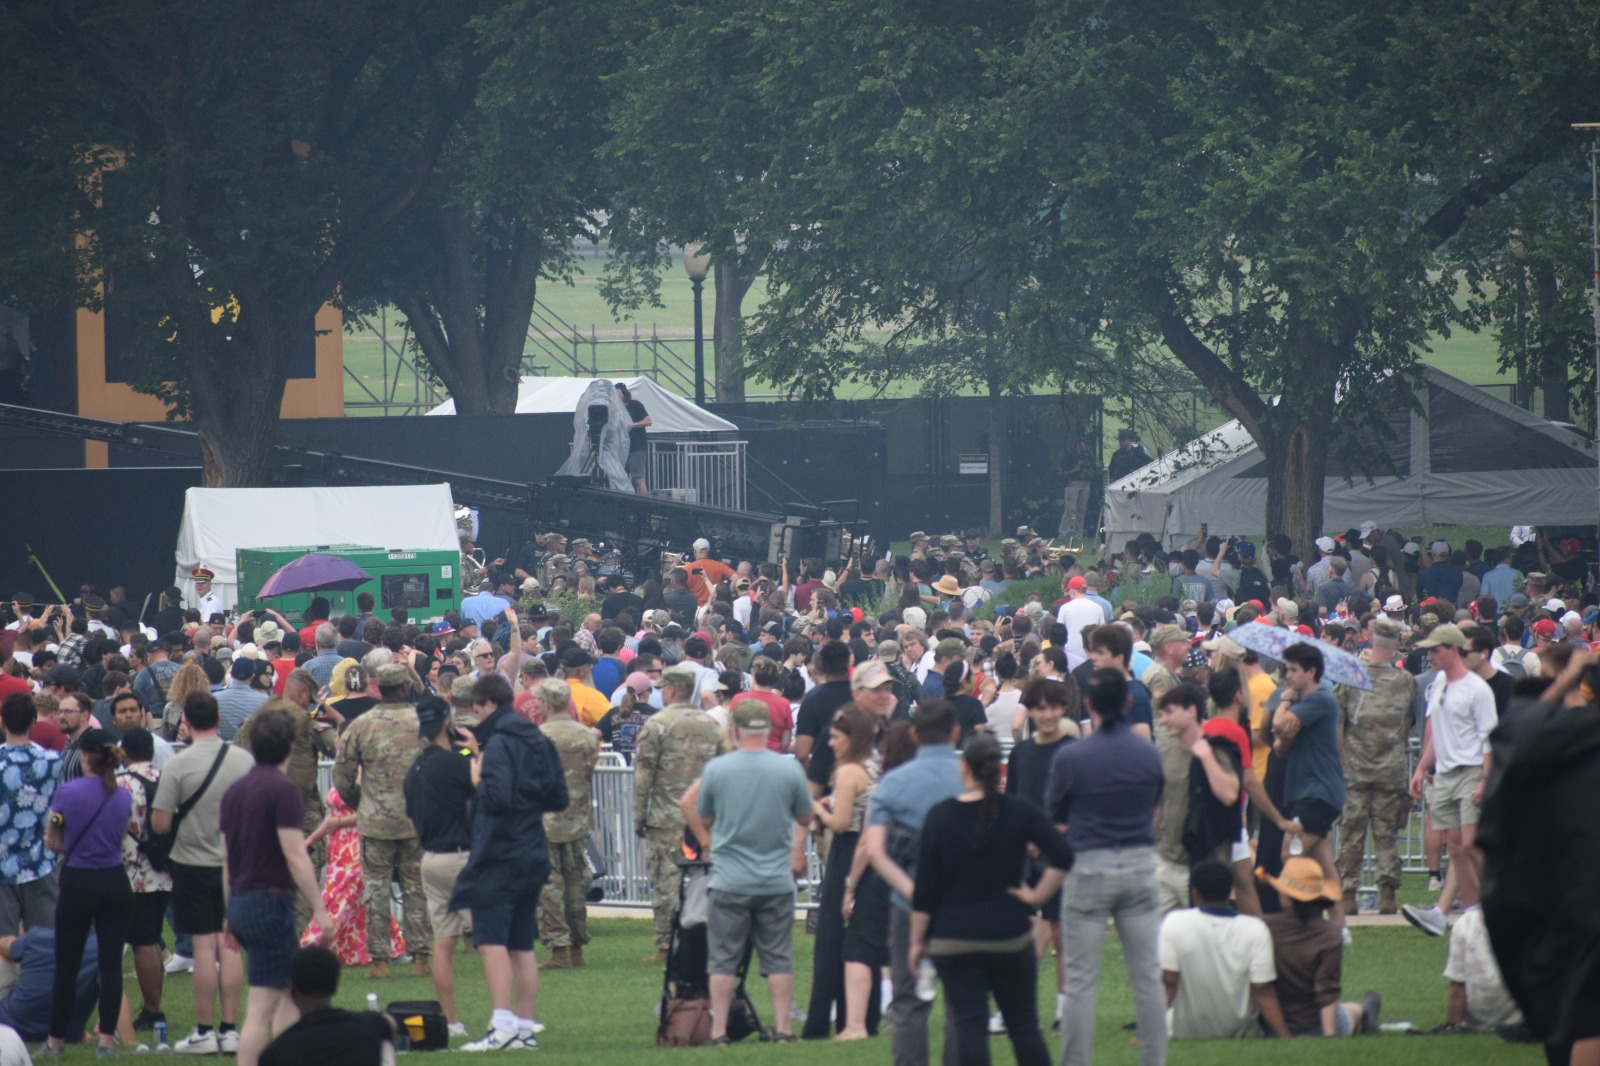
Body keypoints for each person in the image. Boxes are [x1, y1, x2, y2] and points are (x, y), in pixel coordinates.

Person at [910, 733, 1073, 1066]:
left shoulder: (940, 816)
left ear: (963, 767)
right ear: (997, 769)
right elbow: (1062, 854)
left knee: (970, 1026)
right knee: (1024, 1027)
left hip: (953, 937)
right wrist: (1037, 895)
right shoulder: (1019, 812)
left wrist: (916, 940)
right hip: (1009, 934)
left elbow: (925, 888)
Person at [1046, 668, 1167, 1066]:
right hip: (1137, 862)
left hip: (1089, 864)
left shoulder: (1072, 755)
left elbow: (1056, 814)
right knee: (1147, 976)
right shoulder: (1147, 753)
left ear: (1090, 706)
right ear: (1129, 704)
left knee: (1080, 980)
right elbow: (1156, 808)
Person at [682, 700, 812, 1046]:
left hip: (729, 877)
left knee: (723, 959)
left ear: (735, 731)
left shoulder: (718, 770)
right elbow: (804, 816)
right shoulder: (789, 771)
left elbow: (700, 812)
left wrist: (708, 842)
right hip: (776, 878)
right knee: (779, 957)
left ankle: (719, 1031)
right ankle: (784, 1028)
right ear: (769, 730)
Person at [451, 674, 568, 1052]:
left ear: (485, 705)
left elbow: (497, 797)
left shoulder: (499, 743)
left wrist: (476, 777)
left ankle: (501, 1025)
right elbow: (558, 797)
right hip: (533, 846)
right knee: (521, 943)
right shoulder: (538, 737)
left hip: (500, 850)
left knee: (490, 939)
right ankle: (524, 1028)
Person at [219, 705, 334, 1066]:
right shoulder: (282, 790)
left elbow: (225, 859)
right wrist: (319, 908)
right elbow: (296, 855)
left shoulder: (235, 790)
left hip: (240, 901)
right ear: (290, 746)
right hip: (269, 903)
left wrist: (228, 912)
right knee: (260, 1009)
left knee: (287, 994)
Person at [861, 699, 964, 1066]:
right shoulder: (971, 775)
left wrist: (913, 892)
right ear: (955, 732)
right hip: (964, 902)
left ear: (915, 734)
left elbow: (875, 851)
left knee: (907, 1000)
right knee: (961, 999)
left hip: (908, 900)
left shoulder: (893, 782)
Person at [152, 691, 255, 1055]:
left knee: (202, 945)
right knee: (230, 945)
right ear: (218, 717)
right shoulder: (243, 760)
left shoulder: (179, 764)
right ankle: (230, 1028)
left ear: (187, 723)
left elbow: (161, 822)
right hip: (236, 863)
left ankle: (205, 1029)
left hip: (192, 865)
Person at [330, 663, 430, 977]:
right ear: (403, 687)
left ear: (378, 689)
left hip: (375, 819)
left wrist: (361, 803)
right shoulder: (423, 722)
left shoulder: (361, 725)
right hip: (415, 818)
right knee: (416, 887)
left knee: (376, 888)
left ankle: (379, 960)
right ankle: (421, 957)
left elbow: (343, 776)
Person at [41, 729, 132, 1058]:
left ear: (84, 757)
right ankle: (107, 1041)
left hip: (78, 879)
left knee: (67, 964)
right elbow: (120, 835)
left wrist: (55, 840)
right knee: (111, 966)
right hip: (113, 879)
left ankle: (55, 1041)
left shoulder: (67, 792)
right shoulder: (122, 795)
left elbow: (55, 837)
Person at [1402, 623, 1497, 937]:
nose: (1430, 655)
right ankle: (1470, 912)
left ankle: (1485, 905)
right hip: (1443, 771)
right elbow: (1434, 735)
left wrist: (1484, 779)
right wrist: (1420, 769)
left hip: (1470, 771)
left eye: (1435, 649)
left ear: (1453, 650)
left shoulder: (1477, 689)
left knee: (1469, 844)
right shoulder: (1440, 683)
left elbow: (1488, 739)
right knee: (1455, 847)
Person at [632, 664, 726, 963]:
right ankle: (704, 942)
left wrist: (639, 815)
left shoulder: (657, 725)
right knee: (707, 880)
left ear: (671, 691)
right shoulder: (712, 725)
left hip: (665, 817)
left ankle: (664, 946)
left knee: (666, 882)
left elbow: (643, 775)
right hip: (706, 819)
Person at [802, 703, 879, 1040]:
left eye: (835, 738)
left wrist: (818, 806)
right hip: (868, 854)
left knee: (831, 939)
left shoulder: (848, 773)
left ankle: (819, 1022)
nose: (830, 743)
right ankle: (861, 1016)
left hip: (846, 851)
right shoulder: (873, 765)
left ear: (852, 737)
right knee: (860, 939)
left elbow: (842, 822)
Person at [401, 695, 474, 1035]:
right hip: (462, 855)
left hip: (430, 858)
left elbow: (413, 823)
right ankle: (508, 1016)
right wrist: (474, 751)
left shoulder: (414, 770)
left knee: (443, 944)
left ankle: (451, 1020)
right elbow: (484, 791)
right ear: (447, 721)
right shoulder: (457, 764)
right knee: (493, 939)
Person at [1335, 619, 1416, 915]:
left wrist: (1343, 760)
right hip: (1391, 768)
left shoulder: (1351, 678)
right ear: (1396, 646)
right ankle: (1387, 894)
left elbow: (1339, 725)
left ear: (1370, 641)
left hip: (1355, 769)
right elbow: (1407, 725)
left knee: (1350, 834)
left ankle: (1347, 894)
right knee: (1387, 834)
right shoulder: (1405, 681)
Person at [1157, 861, 1289, 1039]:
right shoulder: (1255, 928)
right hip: (1242, 1032)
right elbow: (1262, 990)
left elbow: (1169, 985)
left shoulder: (1175, 923)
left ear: (1195, 893)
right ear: (1230, 892)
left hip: (1186, 1031)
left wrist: (1144, 1034)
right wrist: (1285, 1037)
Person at [1259, 858, 1381, 1037]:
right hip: (1317, 1024)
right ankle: (1366, 1013)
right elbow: (1327, 991)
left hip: (1270, 1024)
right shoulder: (1330, 934)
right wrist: (1328, 1035)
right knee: (1352, 1010)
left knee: (1349, 1009)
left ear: (1283, 894)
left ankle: (1366, 1011)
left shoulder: (1264, 928)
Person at [1271, 642, 1347, 930]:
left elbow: (1279, 726)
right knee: (1323, 863)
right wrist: (1284, 734)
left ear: (1311, 671)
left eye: (1293, 670)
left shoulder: (1320, 700)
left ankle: (1296, 921)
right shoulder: (1307, 705)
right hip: (1306, 790)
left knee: (1289, 854)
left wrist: (1285, 700)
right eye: (1285, 670)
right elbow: (1280, 748)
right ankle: (1339, 927)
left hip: (1317, 792)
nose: (1287, 676)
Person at [1152, 683, 1243, 917]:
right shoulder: (1167, 756)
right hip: (1165, 863)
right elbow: (1160, 805)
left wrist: (1206, 757)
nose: (1164, 720)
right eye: (1162, 714)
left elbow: (1230, 795)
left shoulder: (1218, 750)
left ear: (1191, 711)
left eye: (1169, 712)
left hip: (1203, 866)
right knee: (1160, 945)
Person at [536, 680, 600, 971]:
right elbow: (589, 772)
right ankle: (577, 946)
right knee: (577, 884)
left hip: (545, 822)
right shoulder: (585, 735)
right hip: (577, 819)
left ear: (546, 704)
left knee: (550, 886)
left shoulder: (538, 736)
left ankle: (559, 948)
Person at [115, 727, 172, 1032]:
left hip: (134, 872)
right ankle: (153, 1007)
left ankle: (153, 1010)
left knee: (144, 941)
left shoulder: (121, 784)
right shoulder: (167, 779)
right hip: (165, 871)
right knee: (150, 936)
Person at [259, 946, 396, 1066]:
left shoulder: (275, 1054)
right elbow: (391, 1024)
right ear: (335, 985)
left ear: (293, 990)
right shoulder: (370, 1025)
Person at [0, 691, 60, 937]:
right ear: (34, 721)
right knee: (44, 941)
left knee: (4, 942)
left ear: (2, 721)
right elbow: (58, 808)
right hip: (40, 860)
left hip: (2, 863)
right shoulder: (52, 760)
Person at [615, 382, 652, 494]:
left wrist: (632, 425)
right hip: (620, 449)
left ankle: (644, 505)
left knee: (638, 478)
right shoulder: (615, 409)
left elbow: (648, 421)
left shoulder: (635, 405)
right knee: (619, 479)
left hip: (636, 447)